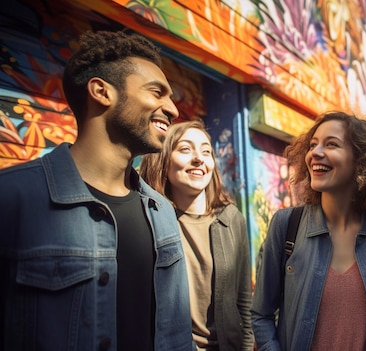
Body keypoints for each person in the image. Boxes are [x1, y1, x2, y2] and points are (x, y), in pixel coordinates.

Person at [0, 30, 194, 350]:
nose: (172, 110)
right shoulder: (12, 198)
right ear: (102, 92)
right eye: (157, 92)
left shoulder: (162, 211)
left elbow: (177, 334)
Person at [251, 111, 366, 350]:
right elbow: (261, 315)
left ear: (361, 161)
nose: (315, 153)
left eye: (331, 144)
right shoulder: (286, 225)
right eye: (312, 145)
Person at [139, 120, 253, 350]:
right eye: (185, 149)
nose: (199, 159)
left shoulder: (231, 219)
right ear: (162, 160)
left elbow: (243, 298)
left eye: (206, 151)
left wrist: (248, 345)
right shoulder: (147, 218)